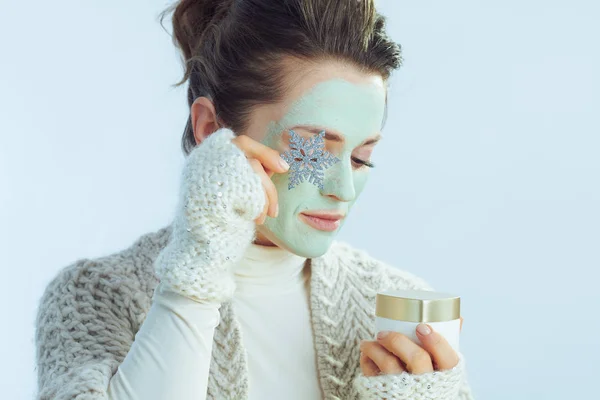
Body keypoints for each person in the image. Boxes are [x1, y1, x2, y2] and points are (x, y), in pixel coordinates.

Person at [34, 1, 474, 399]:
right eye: (315, 150)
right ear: (210, 129)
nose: (344, 189)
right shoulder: (97, 295)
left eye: (361, 158)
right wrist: (199, 263)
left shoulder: (396, 307)